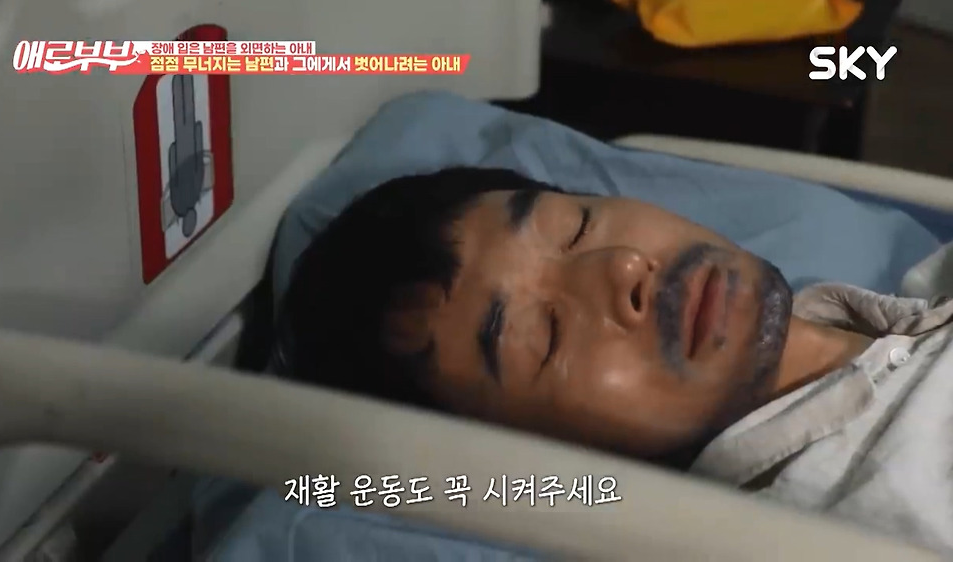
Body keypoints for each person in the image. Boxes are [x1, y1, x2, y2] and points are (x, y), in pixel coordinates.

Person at [281, 167, 953, 554]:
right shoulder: (854, 524)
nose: (625, 267)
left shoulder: (926, 290)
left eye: (576, 226)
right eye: (542, 338)